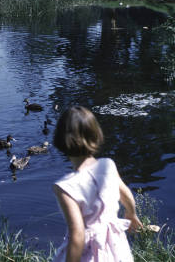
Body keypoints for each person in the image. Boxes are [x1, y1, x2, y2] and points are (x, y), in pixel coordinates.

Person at [52, 106, 142, 262]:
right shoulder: (108, 165)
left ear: (61, 140)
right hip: (116, 248)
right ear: (96, 135)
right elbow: (126, 194)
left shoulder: (66, 186)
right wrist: (131, 214)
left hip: (90, 253)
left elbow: (78, 234)